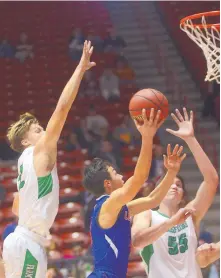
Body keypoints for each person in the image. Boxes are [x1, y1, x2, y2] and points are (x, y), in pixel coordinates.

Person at [2, 41, 96, 278]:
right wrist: (80, 70)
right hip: (27, 243)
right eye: (37, 130)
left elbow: (16, 203)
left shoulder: (23, 161)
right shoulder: (39, 151)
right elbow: (62, 109)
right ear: (25, 141)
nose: (43, 131)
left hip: (24, 239)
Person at [83, 108, 189, 278]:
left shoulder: (118, 208)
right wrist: (147, 137)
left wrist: (170, 172)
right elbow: (139, 178)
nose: (121, 175)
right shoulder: (107, 203)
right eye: (115, 172)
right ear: (107, 184)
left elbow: (153, 199)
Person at [132, 108, 219, 278]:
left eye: (178, 184)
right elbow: (137, 240)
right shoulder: (146, 215)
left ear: (182, 195)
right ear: (158, 191)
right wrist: (171, 222)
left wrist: (191, 139)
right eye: (168, 184)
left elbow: (211, 180)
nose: (174, 186)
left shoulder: (190, 215)